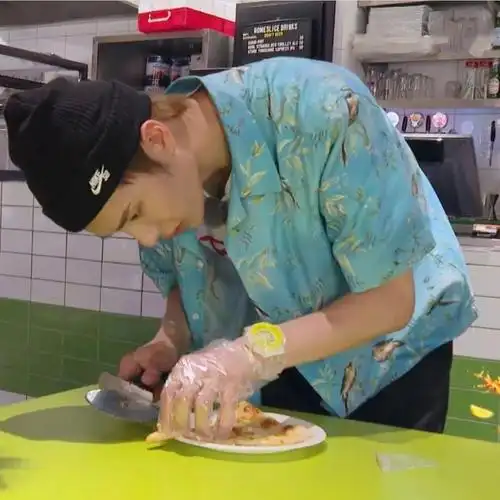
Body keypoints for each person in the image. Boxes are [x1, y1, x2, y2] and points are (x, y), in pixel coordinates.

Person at [4, 57, 476, 440]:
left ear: (157, 139)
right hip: (277, 363)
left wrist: (248, 357)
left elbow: (390, 301)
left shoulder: (326, 108)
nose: (146, 237)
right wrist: (169, 342)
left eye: (135, 214)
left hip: (390, 360)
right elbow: (182, 278)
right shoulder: (167, 184)